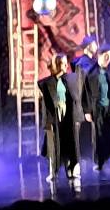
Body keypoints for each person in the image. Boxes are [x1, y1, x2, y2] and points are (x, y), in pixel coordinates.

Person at [38, 54, 79, 183]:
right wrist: (48, 122)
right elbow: (46, 105)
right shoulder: (47, 83)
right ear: (56, 65)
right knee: (53, 146)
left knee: (69, 143)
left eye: (66, 63)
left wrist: (77, 117)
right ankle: (53, 172)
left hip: (68, 116)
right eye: (62, 63)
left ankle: (71, 169)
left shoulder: (71, 79)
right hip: (55, 117)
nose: (66, 65)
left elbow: (75, 99)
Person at [73, 34, 98, 170]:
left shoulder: (90, 63)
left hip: (89, 103)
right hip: (87, 104)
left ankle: (91, 159)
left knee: (89, 133)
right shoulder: (83, 64)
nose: (96, 47)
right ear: (88, 47)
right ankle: (90, 160)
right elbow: (83, 87)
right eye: (94, 44)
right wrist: (87, 107)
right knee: (88, 133)